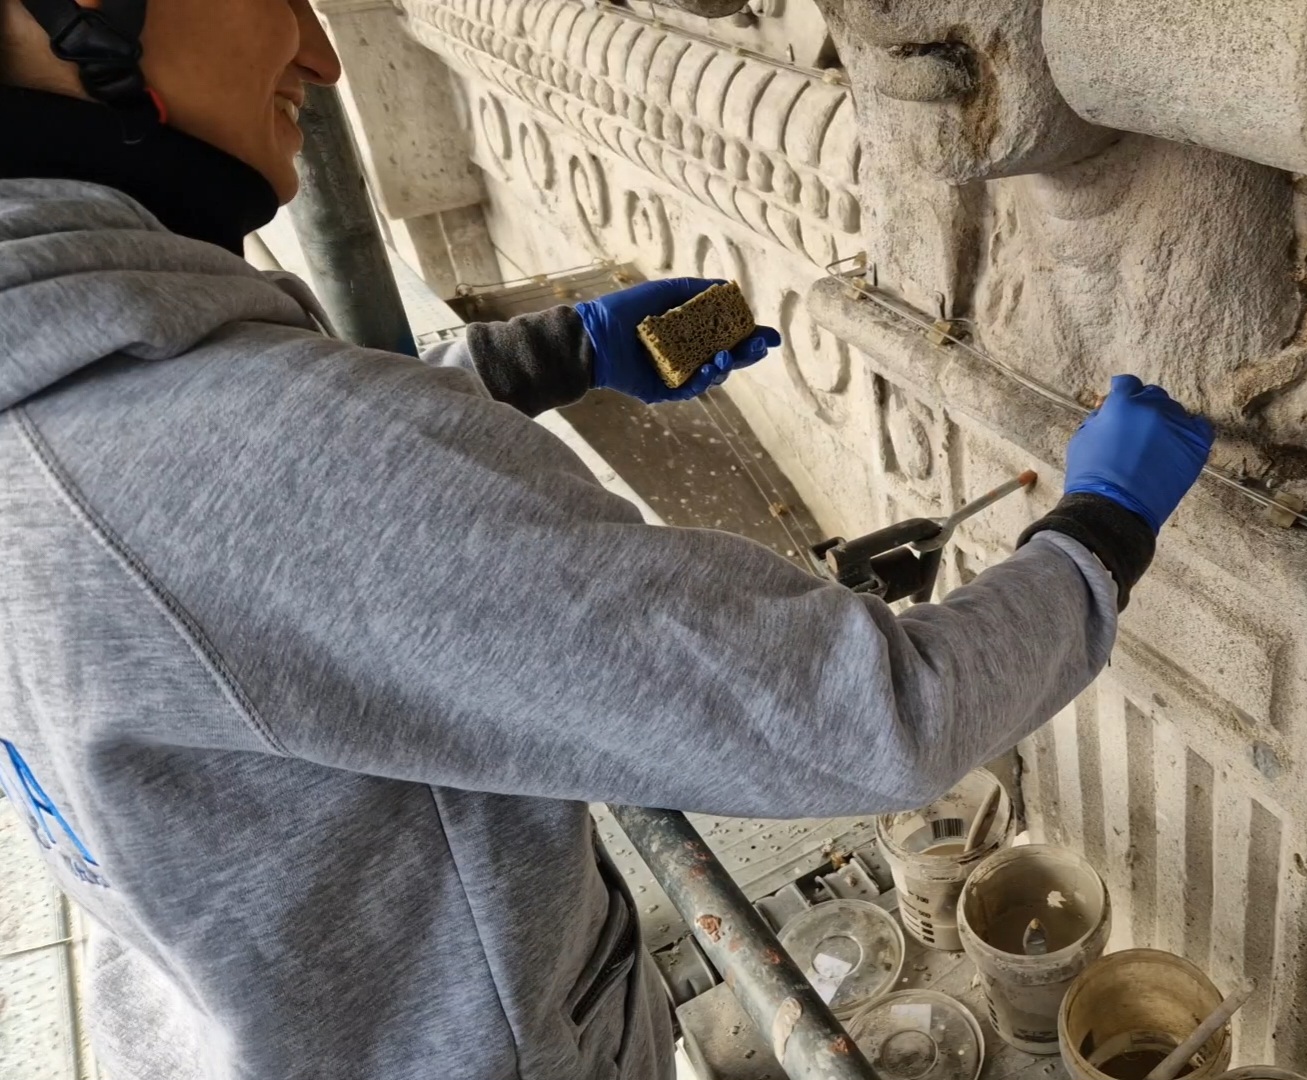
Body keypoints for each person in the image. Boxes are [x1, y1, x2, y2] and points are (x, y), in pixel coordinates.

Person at [0, 0, 1214, 1077]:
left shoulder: (59, 410)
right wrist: (1099, 535)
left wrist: (541, 357)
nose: (319, 54)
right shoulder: (244, 459)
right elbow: (872, 718)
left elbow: (286, 527)